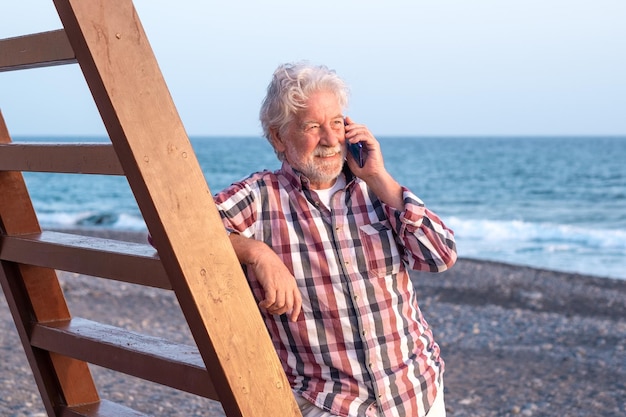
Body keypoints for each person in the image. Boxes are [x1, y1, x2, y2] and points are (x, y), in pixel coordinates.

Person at [214, 62, 457, 417]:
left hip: (417, 390)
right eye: (312, 126)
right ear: (278, 136)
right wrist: (256, 251)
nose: (329, 140)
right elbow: (171, 231)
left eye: (337, 123)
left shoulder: (376, 191)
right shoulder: (260, 196)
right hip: (328, 403)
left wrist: (379, 176)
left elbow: (441, 256)